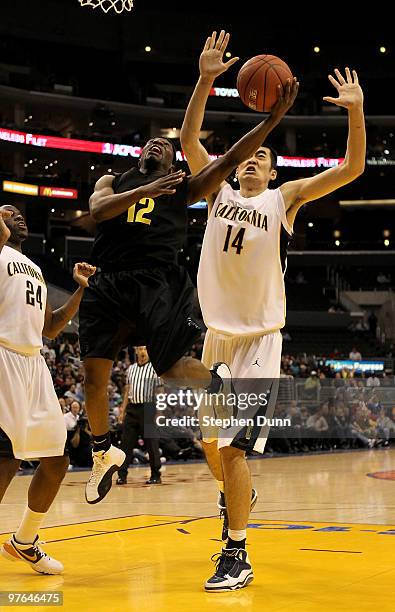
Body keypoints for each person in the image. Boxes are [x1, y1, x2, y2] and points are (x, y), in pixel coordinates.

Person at [180, 30, 365, 591]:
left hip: (261, 339)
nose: (253, 163)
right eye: (248, 157)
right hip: (216, 339)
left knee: (233, 450)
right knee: (208, 446)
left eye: (263, 157)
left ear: (273, 171)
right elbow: (190, 136)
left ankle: (236, 554)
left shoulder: (283, 200)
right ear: (236, 166)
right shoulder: (217, 190)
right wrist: (206, 78)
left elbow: (352, 169)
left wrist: (355, 114)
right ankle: (239, 497)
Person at [79, 47, 297, 507]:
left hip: (157, 281)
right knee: (93, 379)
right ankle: (103, 452)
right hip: (109, 281)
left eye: (167, 143)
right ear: (139, 155)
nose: (158, 144)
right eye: (151, 143)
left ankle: (220, 388)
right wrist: (145, 188)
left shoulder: (186, 186)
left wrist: (271, 120)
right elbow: (97, 212)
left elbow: (228, 159)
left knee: (172, 367)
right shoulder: (111, 180)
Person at [0, 205, 95, 574]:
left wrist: (80, 290)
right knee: (5, 458)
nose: (18, 215)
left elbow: (51, 327)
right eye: (7, 212)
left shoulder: (36, 269)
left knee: (56, 460)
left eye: (21, 213)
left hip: (33, 363)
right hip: (4, 356)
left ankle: (24, 540)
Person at [116, 346, 162, 485]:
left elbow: (160, 392)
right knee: (125, 444)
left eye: (145, 349)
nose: (142, 352)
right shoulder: (131, 369)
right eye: (140, 349)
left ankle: (155, 475)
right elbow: (127, 391)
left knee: (151, 444)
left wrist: (159, 412)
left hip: (148, 408)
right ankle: (122, 475)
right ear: (136, 351)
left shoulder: (154, 369)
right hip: (132, 409)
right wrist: (123, 411)